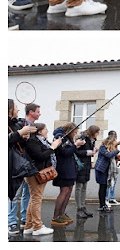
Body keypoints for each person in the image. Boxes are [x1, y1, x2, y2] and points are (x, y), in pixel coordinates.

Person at [24, 123, 62, 236]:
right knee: (36, 199)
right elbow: (40, 156)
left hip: (38, 172)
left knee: (33, 199)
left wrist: (54, 145)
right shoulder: (33, 142)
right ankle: (37, 227)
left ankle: (29, 226)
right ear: (39, 131)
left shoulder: (40, 141)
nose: (47, 131)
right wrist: (52, 147)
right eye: (45, 129)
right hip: (35, 173)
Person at [8, 99, 37, 236]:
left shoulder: (16, 123)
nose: (18, 110)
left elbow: (18, 141)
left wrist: (24, 137)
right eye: (16, 107)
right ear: (9, 109)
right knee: (14, 194)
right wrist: (20, 133)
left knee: (26, 193)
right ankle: (11, 221)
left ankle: (24, 219)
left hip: (22, 162)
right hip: (12, 163)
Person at [51, 123, 85, 227]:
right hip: (63, 168)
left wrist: (75, 145)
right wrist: (75, 145)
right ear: (70, 130)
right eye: (74, 132)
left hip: (69, 168)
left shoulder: (67, 139)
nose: (75, 134)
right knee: (64, 191)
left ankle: (62, 214)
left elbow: (70, 151)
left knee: (69, 190)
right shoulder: (60, 137)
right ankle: (55, 217)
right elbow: (64, 153)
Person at [74, 125, 100, 219]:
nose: (98, 134)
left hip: (87, 164)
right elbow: (76, 151)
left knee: (84, 186)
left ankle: (83, 207)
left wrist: (94, 151)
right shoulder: (82, 138)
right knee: (79, 187)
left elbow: (89, 151)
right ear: (93, 132)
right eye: (97, 132)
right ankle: (79, 209)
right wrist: (88, 152)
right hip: (81, 165)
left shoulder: (91, 140)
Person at [94, 132, 120, 213]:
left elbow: (114, 156)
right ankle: (102, 205)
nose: (115, 142)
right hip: (101, 170)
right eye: (115, 140)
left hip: (107, 170)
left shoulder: (109, 148)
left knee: (104, 187)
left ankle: (104, 205)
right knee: (102, 187)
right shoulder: (103, 147)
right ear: (111, 141)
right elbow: (108, 155)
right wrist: (117, 150)